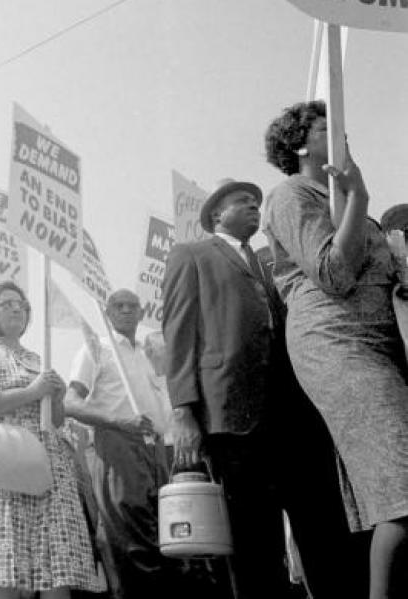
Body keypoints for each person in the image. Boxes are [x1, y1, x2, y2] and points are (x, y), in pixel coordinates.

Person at [163, 175, 357, 599]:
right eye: (242, 200)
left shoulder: (275, 259)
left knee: (323, 525)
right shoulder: (192, 255)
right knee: (254, 540)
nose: (254, 206)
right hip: (232, 418)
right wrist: (183, 411)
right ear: (218, 213)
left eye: (256, 201)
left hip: (294, 413)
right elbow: (177, 336)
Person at [263, 99, 408, 598]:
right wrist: (360, 195)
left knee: (397, 485)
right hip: (337, 346)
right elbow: (333, 273)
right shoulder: (289, 194)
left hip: (383, 347)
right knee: (403, 490)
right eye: (329, 126)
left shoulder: (342, 198)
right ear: (300, 144)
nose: (343, 130)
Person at [0, 281, 104, 599]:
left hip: (50, 467)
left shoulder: (38, 359)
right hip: (3, 467)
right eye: (7, 303)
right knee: (8, 568)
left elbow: (55, 420)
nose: (16, 308)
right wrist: (32, 391)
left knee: (56, 566)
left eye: (21, 304)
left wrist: (57, 399)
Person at [64, 289, 172, 599]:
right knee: (130, 543)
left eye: (132, 305)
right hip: (117, 445)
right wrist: (118, 421)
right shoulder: (96, 349)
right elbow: (70, 402)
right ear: (107, 313)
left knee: (164, 539)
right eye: (118, 305)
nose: (125, 310)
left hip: (158, 450)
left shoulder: (150, 352)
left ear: (141, 313)